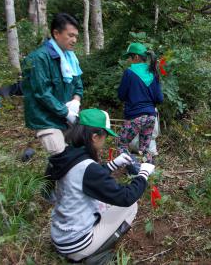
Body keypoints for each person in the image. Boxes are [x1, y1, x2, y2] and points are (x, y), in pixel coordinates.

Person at [46, 108, 155, 263]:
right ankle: (97, 254)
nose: (105, 142)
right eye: (105, 136)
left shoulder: (66, 154)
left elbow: (85, 178)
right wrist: (143, 174)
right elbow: (126, 197)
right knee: (131, 206)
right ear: (95, 137)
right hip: (77, 244)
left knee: (104, 203)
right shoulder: (88, 168)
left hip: (60, 235)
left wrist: (112, 164)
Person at [21, 13, 83, 155]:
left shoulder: (70, 57)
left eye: (76, 36)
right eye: (70, 35)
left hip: (65, 116)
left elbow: (77, 83)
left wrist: (76, 100)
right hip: (45, 118)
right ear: (56, 33)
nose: (74, 40)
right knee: (61, 154)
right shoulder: (39, 58)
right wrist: (66, 112)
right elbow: (42, 93)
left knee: (79, 151)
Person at [117, 43, 163, 163]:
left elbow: (121, 95)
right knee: (144, 148)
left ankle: (130, 168)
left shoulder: (129, 72)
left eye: (130, 57)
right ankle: (147, 171)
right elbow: (159, 98)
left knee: (122, 143)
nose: (128, 60)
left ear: (136, 57)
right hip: (151, 116)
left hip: (135, 116)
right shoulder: (153, 72)